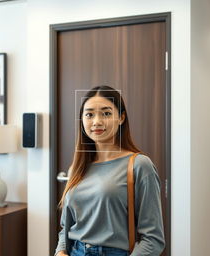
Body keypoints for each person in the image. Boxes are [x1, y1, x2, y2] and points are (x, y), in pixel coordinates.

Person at [55, 85, 165, 256]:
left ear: (121, 118)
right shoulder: (77, 168)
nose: (97, 121)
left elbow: (153, 239)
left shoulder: (140, 165)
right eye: (89, 114)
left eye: (106, 113)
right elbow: (66, 227)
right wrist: (60, 252)